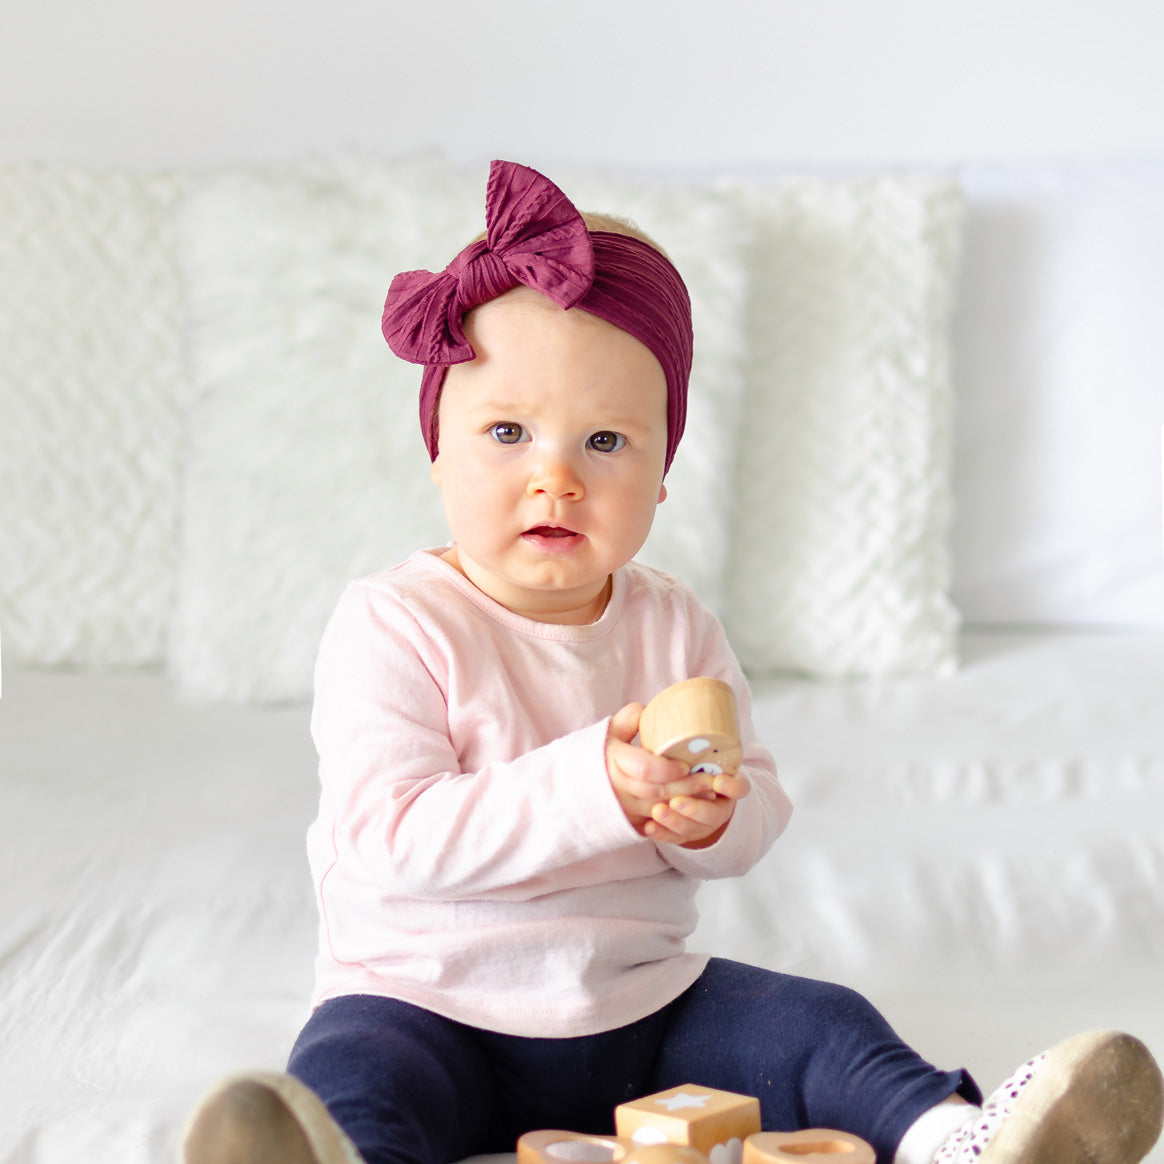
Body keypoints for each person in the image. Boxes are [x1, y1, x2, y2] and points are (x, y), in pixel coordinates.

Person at [181, 161, 1163, 1164]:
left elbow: (756, 807)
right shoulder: (393, 624)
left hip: (640, 1009)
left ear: (661, 477)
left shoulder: (672, 625)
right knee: (354, 1074)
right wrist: (591, 787)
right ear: (438, 444)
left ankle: (957, 1138)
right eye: (508, 432)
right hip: (427, 1004)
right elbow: (391, 837)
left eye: (605, 440)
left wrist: (711, 817)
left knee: (820, 1024)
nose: (556, 477)